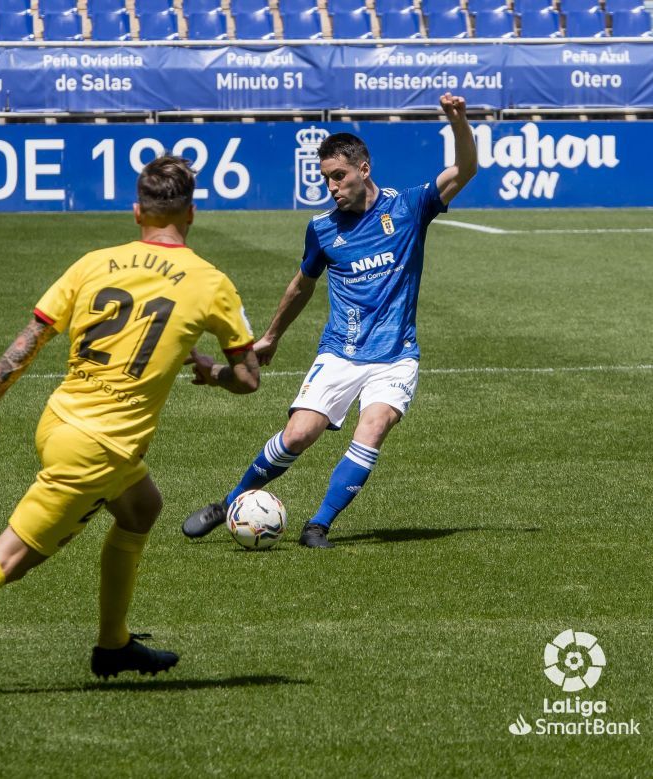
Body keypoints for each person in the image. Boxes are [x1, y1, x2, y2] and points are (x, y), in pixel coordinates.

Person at [0, 155, 259, 695]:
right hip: (100, 447)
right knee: (6, 561)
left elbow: (28, 341)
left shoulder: (94, 263)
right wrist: (212, 371)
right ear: (192, 212)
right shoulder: (210, 282)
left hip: (59, 420)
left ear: (136, 213)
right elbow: (248, 378)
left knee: (142, 506)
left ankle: (113, 644)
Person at [182, 93, 477, 549]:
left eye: (338, 176)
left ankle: (318, 525)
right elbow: (301, 285)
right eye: (326, 179)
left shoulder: (409, 207)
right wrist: (271, 338)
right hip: (341, 349)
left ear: (364, 169)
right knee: (300, 433)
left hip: (397, 355)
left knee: (374, 426)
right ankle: (231, 503)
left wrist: (458, 120)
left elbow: (464, 170)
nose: (332, 186)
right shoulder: (322, 228)